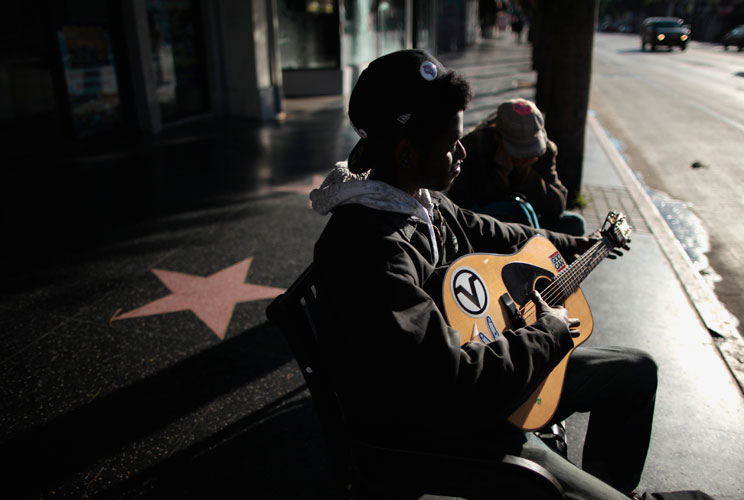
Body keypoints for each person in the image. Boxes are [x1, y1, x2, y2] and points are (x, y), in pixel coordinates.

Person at [308, 49, 705, 500]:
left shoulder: (416, 197)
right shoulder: (370, 248)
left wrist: (582, 244)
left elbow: (495, 232)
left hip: (483, 369)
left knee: (635, 371)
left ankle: (607, 484)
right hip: (440, 429)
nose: (461, 152)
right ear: (404, 153)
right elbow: (453, 384)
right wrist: (549, 332)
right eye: (449, 144)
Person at [446, 98, 587, 236]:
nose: (524, 157)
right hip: (488, 224)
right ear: (497, 137)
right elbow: (460, 205)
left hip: (531, 222)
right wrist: (500, 173)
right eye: (518, 152)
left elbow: (557, 206)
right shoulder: (474, 146)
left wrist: (528, 175)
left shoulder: (546, 152)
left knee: (575, 223)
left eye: (530, 151)